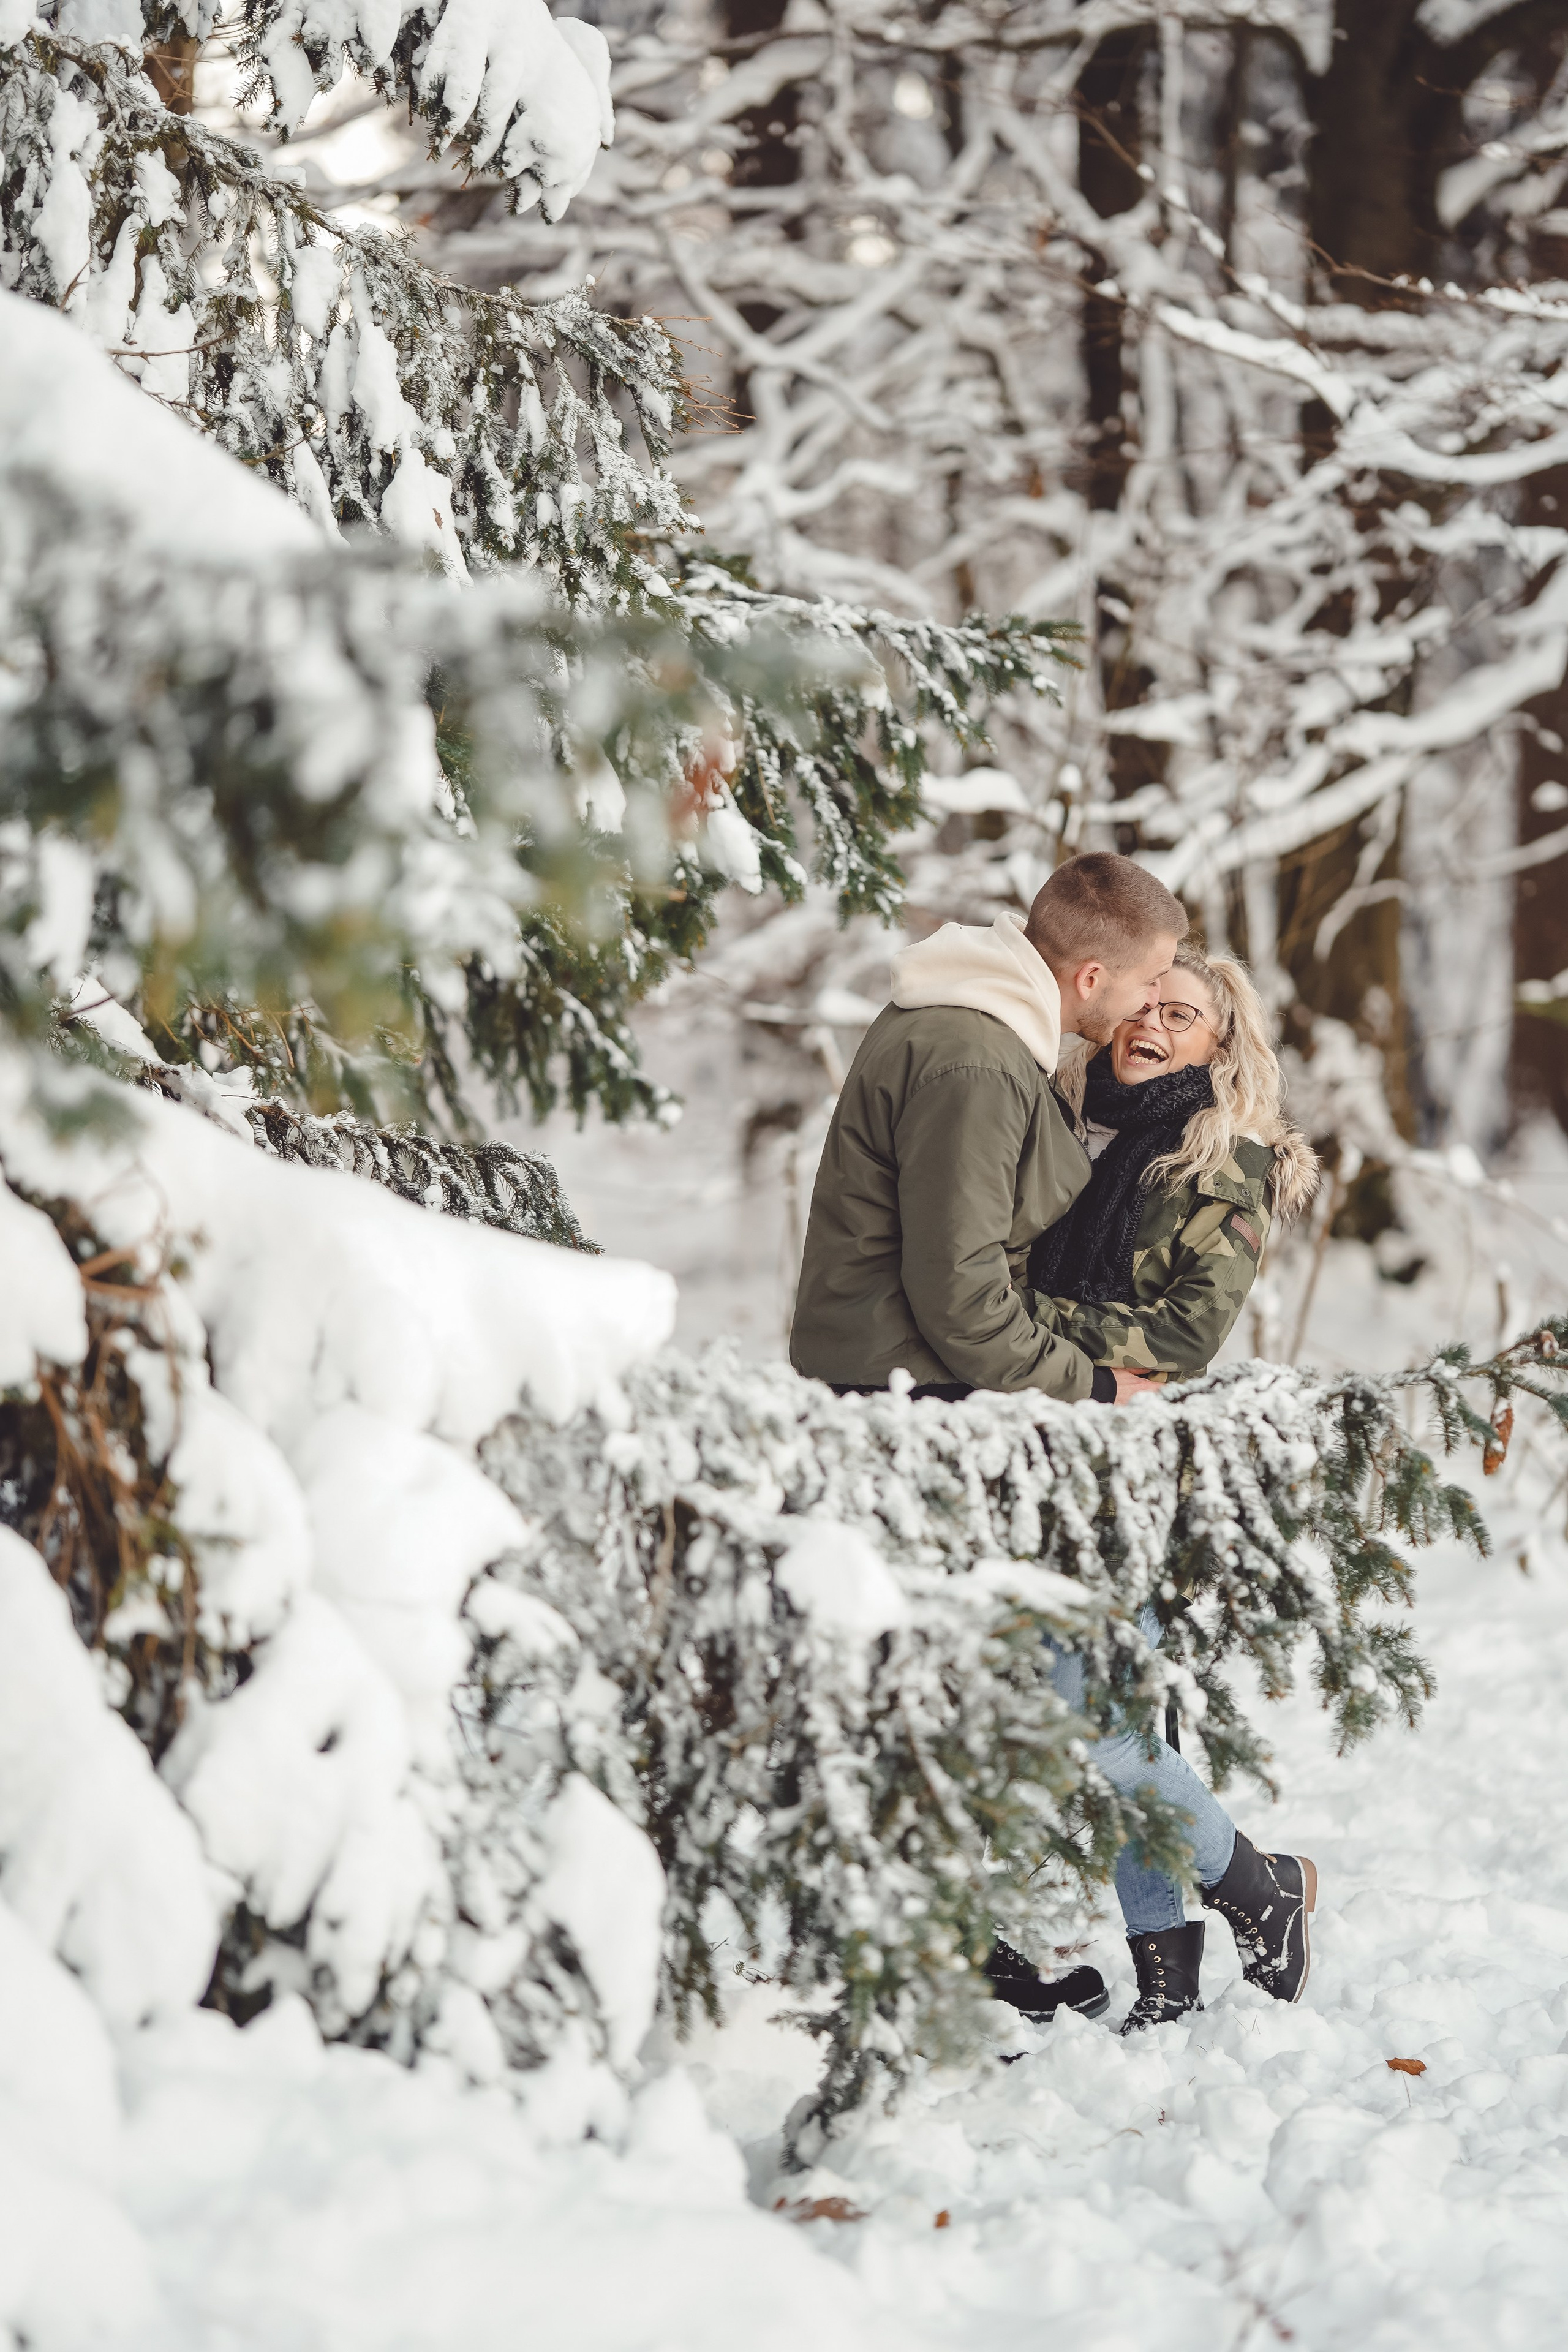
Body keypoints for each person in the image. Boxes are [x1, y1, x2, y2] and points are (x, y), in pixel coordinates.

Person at [1023, 941, 1323, 2030]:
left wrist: (1020, 1334)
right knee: (1118, 1718)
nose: (1155, 1021)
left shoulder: (1224, 1156)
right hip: (1033, 1443)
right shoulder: (1057, 1119)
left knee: (1094, 1726)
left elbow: (1186, 1334)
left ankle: (1257, 1884)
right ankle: (1166, 1968)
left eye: (1185, 1012)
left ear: (1220, 1043)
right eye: (1146, 1002)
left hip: (1128, 1470)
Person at [790, 851, 1188, 1408]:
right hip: (910, 1393)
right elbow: (961, 1294)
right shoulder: (978, 1068)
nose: (1152, 1001)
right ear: (1092, 977)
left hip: (910, 1373)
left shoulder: (972, 1022)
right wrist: (1089, 1386)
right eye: (1149, 981)